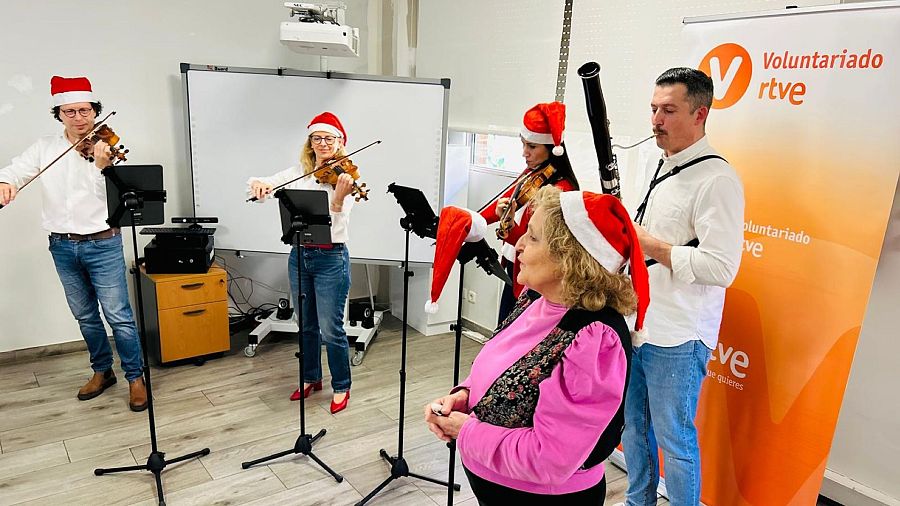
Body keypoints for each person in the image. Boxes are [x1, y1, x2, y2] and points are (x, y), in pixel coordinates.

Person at [424, 186, 650, 505]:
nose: (518, 245)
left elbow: (550, 459)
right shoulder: (535, 298)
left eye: (532, 237)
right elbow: (504, 367)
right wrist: (464, 396)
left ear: (569, 259)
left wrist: (466, 431)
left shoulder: (593, 337)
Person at [619, 67, 744, 506]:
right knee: (634, 430)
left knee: (675, 441)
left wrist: (651, 245)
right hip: (639, 324)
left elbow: (722, 267)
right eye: (654, 109)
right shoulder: (663, 165)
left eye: (668, 110)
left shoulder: (717, 180)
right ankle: (638, 501)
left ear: (699, 114)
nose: (656, 120)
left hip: (679, 333)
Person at [0, 76, 148, 411]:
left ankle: (135, 377)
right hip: (62, 246)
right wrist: (5, 182)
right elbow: (16, 170)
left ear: (95, 111)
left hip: (103, 243)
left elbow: (118, 197)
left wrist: (102, 166)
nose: (79, 118)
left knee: (119, 316)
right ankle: (102, 371)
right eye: (70, 111)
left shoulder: (108, 146)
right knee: (85, 315)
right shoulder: (44, 147)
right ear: (59, 114)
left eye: (85, 110)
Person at [248, 111, 355, 414]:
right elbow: (266, 183)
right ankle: (311, 377)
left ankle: (342, 386)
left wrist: (337, 199)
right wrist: (259, 185)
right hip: (299, 255)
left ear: (340, 142)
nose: (323, 143)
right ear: (310, 142)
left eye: (329, 138)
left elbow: (337, 223)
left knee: (331, 328)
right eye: (317, 138)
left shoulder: (345, 178)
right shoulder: (300, 172)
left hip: (331, 258)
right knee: (304, 323)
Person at [479, 102, 579, 322]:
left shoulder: (560, 190)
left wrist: (509, 225)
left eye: (532, 146)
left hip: (532, 277)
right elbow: (503, 203)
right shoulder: (532, 173)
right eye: (523, 144)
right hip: (516, 268)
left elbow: (536, 245)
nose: (524, 153)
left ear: (552, 149)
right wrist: (473, 220)